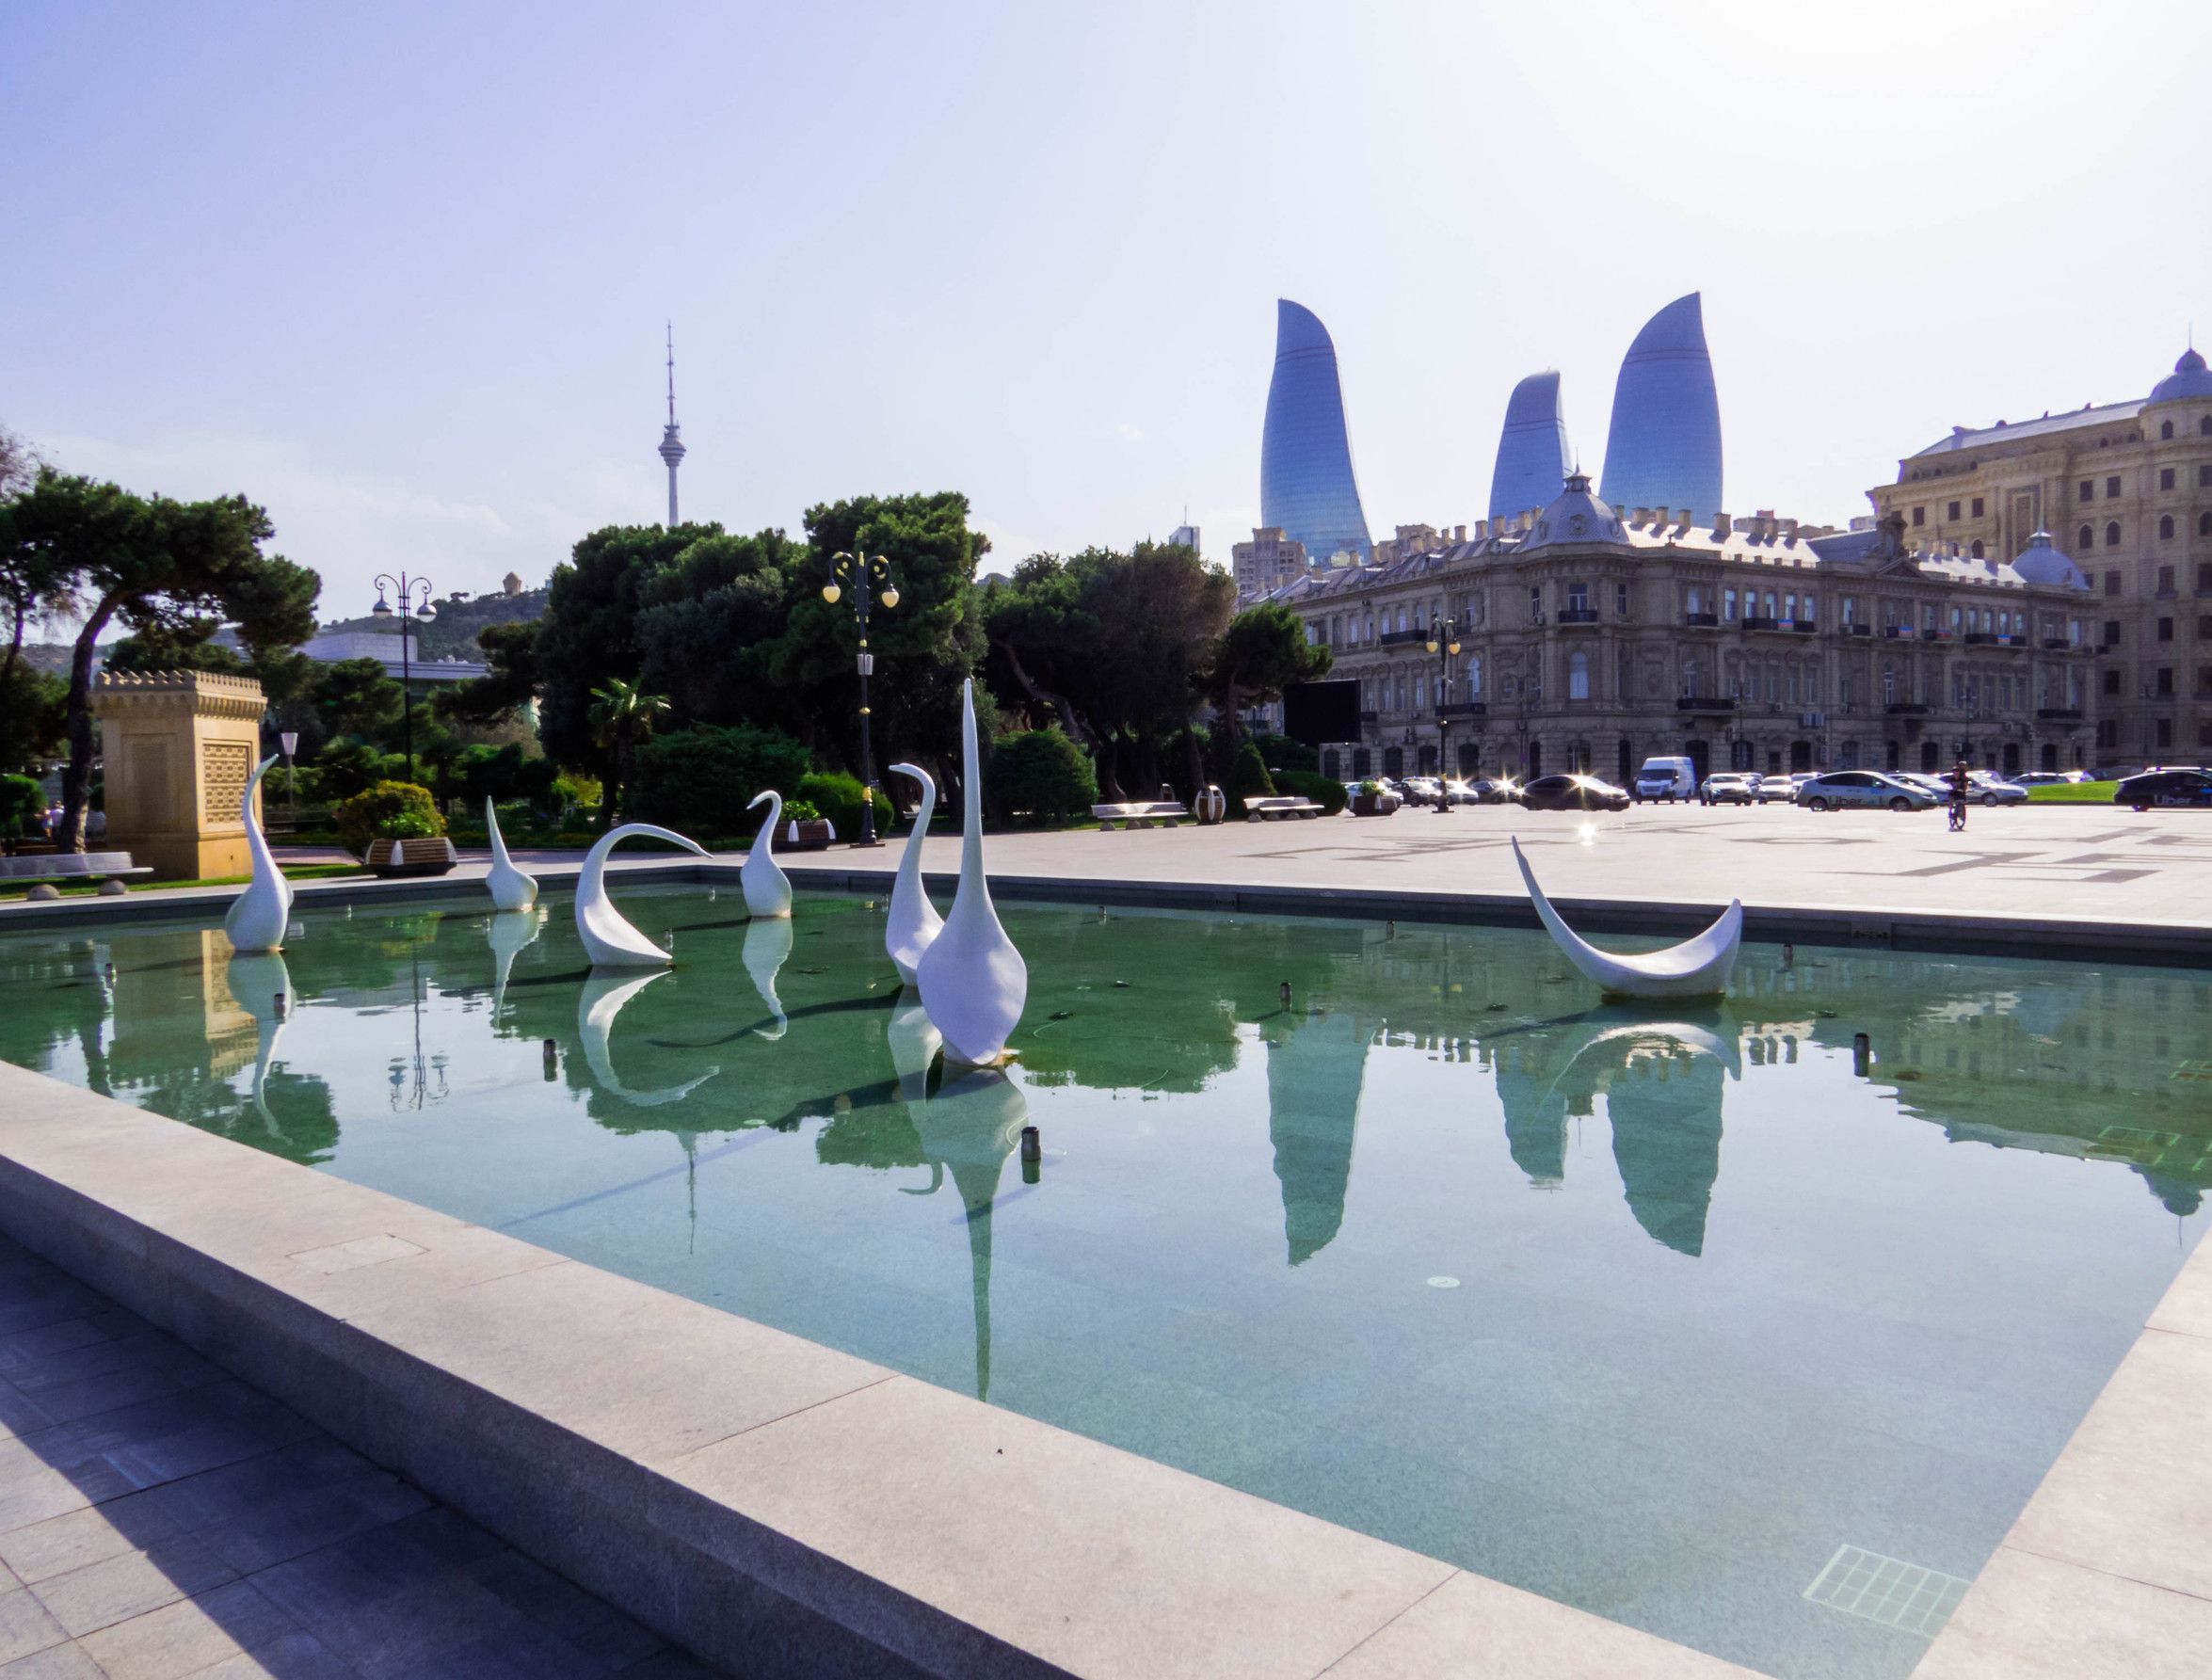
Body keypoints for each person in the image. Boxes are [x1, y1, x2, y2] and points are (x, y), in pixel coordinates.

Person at [1948, 759, 1970, 831]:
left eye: (1964, 766)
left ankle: (1960, 813)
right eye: (1962, 766)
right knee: (1951, 798)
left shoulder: (1964, 777)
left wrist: (1964, 789)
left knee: (1961, 801)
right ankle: (1951, 811)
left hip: (1961, 791)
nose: (1963, 767)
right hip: (1954, 792)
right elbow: (1950, 784)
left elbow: (1965, 785)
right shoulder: (1956, 775)